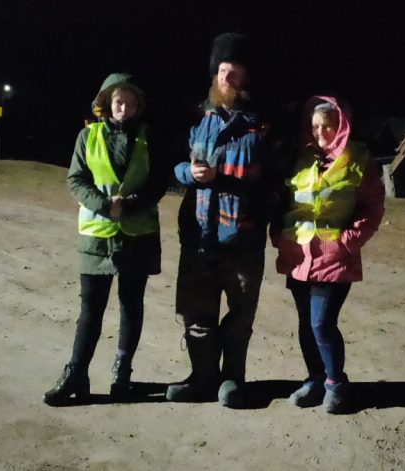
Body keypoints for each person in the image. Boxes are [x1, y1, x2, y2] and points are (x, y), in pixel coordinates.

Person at [43, 73, 167, 406]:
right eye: (118, 102)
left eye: (130, 102)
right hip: (97, 238)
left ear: (139, 106)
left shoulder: (149, 138)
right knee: (91, 309)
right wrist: (104, 205)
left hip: (138, 234)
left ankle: (122, 375)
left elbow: (158, 182)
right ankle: (76, 374)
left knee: (131, 305)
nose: (124, 108)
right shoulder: (88, 136)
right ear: (106, 104)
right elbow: (76, 179)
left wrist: (130, 205)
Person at [166, 33, 274, 408]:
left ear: (246, 78)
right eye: (222, 70)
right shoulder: (197, 119)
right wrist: (188, 173)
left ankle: (232, 380)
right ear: (214, 75)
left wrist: (255, 197)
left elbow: (277, 178)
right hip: (199, 236)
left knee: (240, 318)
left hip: (243, 239)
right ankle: (202, 377)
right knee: (197, 315)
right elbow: (173, 164)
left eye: (235, 71)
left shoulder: (262, 126)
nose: (227, 77)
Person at [271, 96, 385, 413]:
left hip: (335, 257)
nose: (320, 132)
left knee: (321, 323)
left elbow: (372, 207)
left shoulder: (357, 157)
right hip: (298, 256)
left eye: (327, 126)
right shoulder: (300, 157)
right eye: (315, 126)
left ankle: (336, 384)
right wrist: (278, 235)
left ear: (341, 126)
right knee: (306, 325)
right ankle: (315, 379)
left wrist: (347, 242)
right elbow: (281, 200)